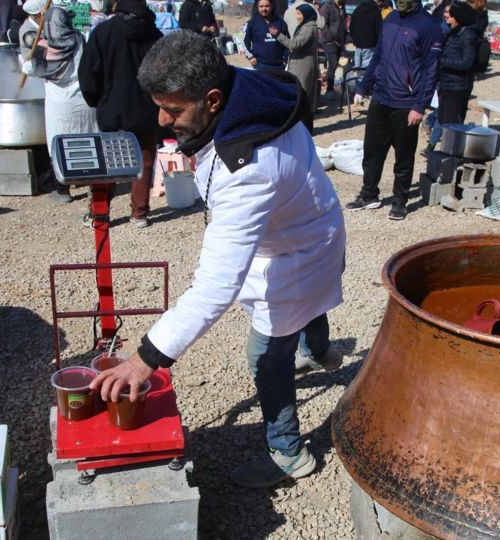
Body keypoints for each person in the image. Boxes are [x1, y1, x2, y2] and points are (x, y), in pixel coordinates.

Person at [97, 30, 346, 489]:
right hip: (315, 223)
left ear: (212, 99)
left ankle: (289, 454)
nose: (161, 118)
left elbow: (215, 286)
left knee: (267, 356)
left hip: (296, 251)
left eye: (173, 110)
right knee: (312, 305)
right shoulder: (252, 87)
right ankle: (321, 351)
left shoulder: (247, 170)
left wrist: (147, 357)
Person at [347, 0, 442, 220]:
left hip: (406, 103)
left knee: (404, 157)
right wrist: (363, 86)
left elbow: (431, 71)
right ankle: (369, 194)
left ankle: (400, 201)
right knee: (372, 152)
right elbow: (378, 56)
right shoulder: (390, 19)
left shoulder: (429, 26)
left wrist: (420, 105)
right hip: (381, 97)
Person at [79, 0, 162, 227]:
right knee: (144, 161)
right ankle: (140, 213)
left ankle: (99, 213)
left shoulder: (103, 32)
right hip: (146, 107)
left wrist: (97, 100)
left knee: (108, 164)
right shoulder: (153, 33)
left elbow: (88, 72)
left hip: (112, 106)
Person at [20, 2, 98, 203]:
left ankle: (62, 190)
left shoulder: (44, 47)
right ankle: (93, 185)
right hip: (83, 100)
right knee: (87, 139)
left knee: (60, 143)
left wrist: (27, 65)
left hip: (60, 105)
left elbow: (32, 69)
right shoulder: (80, 39)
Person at [423, 1, 480, 155]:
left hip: (457, 86)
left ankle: (449, 155)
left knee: (451, 125)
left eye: (451, 15)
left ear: (458, 18)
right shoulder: (454, 32)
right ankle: (438, 150)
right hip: (447, 83)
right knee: (444, 119)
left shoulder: (468, 35)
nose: (447, 17)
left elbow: (466, 62)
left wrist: (440, 61)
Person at [270, 4, 318, 115]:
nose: (297, 16)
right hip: (301, 64)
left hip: (303, 65)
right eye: (297, 13)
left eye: (299, 14)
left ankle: (303, 121)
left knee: (302, 94)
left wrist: (278, 35)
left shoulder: (308, 29)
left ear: (306, 14)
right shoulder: (305, 26)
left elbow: (294, 45)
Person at [244, 0, 289, 72]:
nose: (264, 9)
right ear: (257, 7)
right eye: (261, 6)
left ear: (272, 6)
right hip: (260, 65)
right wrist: (250, 57)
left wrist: (285, 60)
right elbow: (245, 43)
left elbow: (287, 43)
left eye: (267, 6)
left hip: (279, 66)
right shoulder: (252, 23)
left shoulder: (281, 23)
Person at [318, 0, 346, 101]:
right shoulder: (326, 6)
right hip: (330, 42)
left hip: (338, 42)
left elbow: (342, 24)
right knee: (332, 65)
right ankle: (329, 90)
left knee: (334, 66)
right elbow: (322, 25)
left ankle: (332, 88)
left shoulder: (341, 6)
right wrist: (330, 38)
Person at [349, 0, 382, 70]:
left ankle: (357, 80)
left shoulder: (357, 9)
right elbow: (379, 30)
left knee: (357, 69)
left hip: (358, 45)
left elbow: (351, 26)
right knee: (365, 70)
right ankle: (361, 80)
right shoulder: (376, 12)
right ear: (377, 2)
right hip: (370, 46)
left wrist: (354, 38)